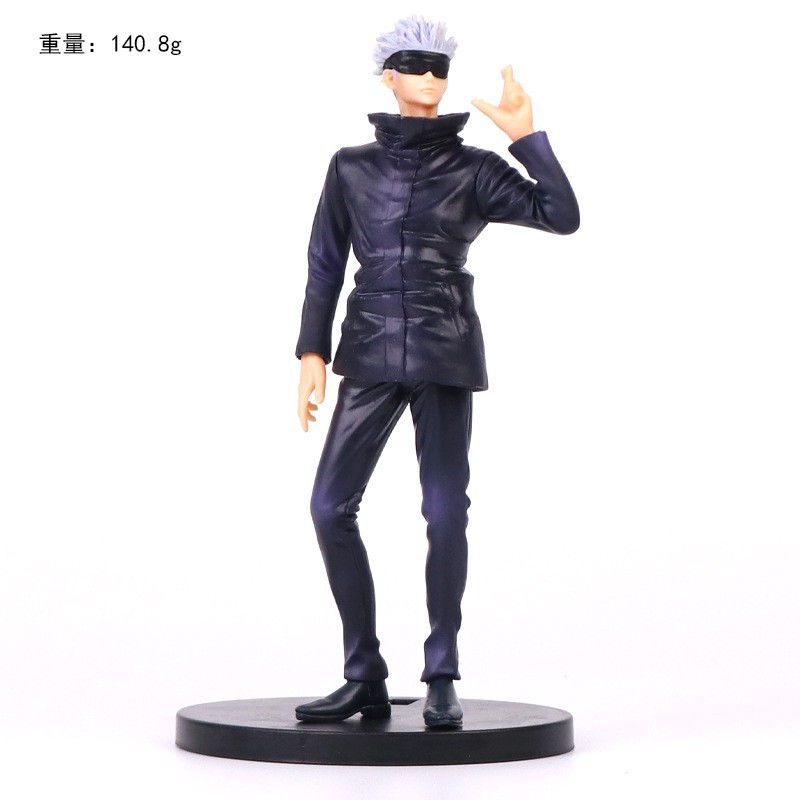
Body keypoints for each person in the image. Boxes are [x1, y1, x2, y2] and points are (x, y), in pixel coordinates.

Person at [294, 16, 579, 728]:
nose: (429, 77)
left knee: (446, 509)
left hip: (444, 348)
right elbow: (325, 263)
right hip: (368, 349)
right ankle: (363, 672)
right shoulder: (350, 166)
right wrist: (311, 353)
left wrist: (526, 138)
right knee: (329, 507)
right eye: (413, 65)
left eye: (439, 67)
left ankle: (442, 671)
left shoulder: (474, 168)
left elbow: (561, 215)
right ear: (387, 76)